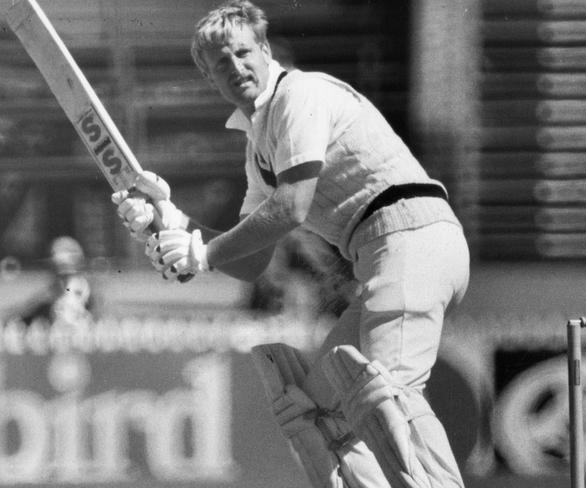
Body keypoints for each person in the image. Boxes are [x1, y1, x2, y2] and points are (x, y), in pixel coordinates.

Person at [112, 1, 470, 487]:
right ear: (207, 75)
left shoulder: (298, 96)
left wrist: (201, 253)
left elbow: (291, 207)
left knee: (385, 397)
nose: (235, 67)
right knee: (319, 412)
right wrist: (174, 224)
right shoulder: (258, 144)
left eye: (243, 52)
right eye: (221, 62)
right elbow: (251, 261)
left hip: (412, 239)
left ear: (264, 50)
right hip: (384, 257)